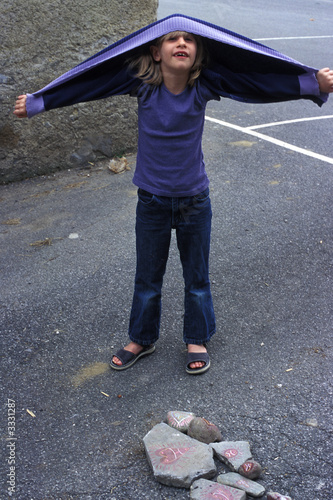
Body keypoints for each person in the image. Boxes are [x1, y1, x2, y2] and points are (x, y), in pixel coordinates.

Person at [14, 15, 333, 375]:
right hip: (151, 202)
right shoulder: (143, 85)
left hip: (195, 201)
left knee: (197, 279)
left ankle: (197, 337)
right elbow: (92, 81)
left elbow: (255, 82)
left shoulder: (204, 85)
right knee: (147, 278)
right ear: (155, 51)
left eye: (189, 39)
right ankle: (141, 337)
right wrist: (41, 101)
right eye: (172, 39)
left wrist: (309, 83)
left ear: (198, 53)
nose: (181, 43)